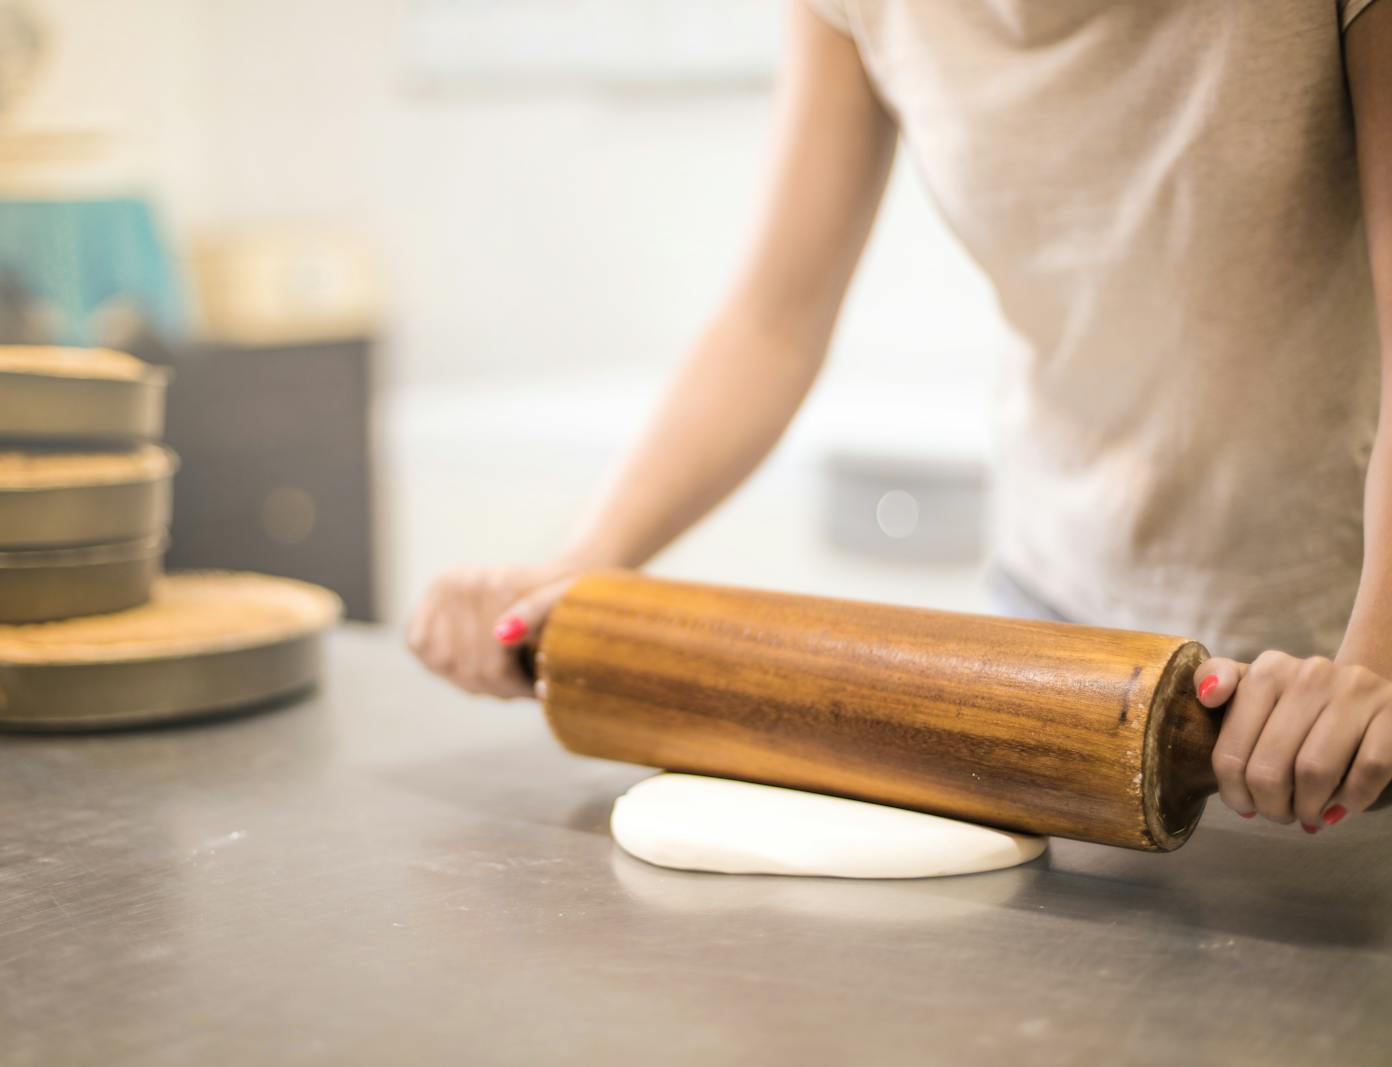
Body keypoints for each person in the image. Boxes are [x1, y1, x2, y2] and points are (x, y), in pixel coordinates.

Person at [409, 1, 1392, 836]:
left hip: (1330, 651)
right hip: (1056, 637)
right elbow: (771, 320)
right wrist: (588, 557)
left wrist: (1370, 668)